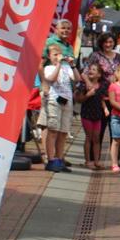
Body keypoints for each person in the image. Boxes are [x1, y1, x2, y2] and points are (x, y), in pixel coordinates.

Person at [41, 44, 77, 173]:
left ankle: (59, 159)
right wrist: (58, 65)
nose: (58, 57)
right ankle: (51, 160)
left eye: (59, 54)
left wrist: (72, 65)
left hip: (67, 101)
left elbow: (77, 79)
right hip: (54, 100)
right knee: (53, 131)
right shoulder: (48, 68)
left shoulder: (67, 67)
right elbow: (52, 79)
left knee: (63, 132)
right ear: (49, 56)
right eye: (55, 54)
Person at [74, 62, 109, 170]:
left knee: (97, 138)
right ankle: (88, 161)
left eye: (94, 70)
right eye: (90, 69)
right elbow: (79, 100)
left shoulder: (102, 86)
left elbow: (102, 98)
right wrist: (87, 95)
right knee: (89, 137)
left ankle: (97, 161)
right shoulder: (84, 85)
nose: (90, 71)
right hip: (87, 115)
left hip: (97, 115)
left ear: (99, 74)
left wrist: (105, 108)